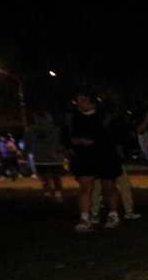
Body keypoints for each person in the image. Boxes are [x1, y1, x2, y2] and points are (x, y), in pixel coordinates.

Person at [67, 92, 122, 232]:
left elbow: (115, 136)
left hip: (106, 156)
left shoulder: (105, 117)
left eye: (83, 100)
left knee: (108, 187)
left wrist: (97, 141)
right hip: (84, 157)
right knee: (85, 187)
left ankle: (113, 215)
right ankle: (85, 219)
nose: (79, 103)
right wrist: (75, 143)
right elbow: (67, 137)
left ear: (92, 102)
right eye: (78, 100)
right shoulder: (73, 118)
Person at [24, 112, 66, 201]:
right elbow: (63, 143)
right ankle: (56, 194)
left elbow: (27, 145)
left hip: (42, 158)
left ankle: (49, 194)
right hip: (53, 158)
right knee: (54, 177)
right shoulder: (56, 130)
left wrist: (25, 154)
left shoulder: (31, 130)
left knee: (46, 177)